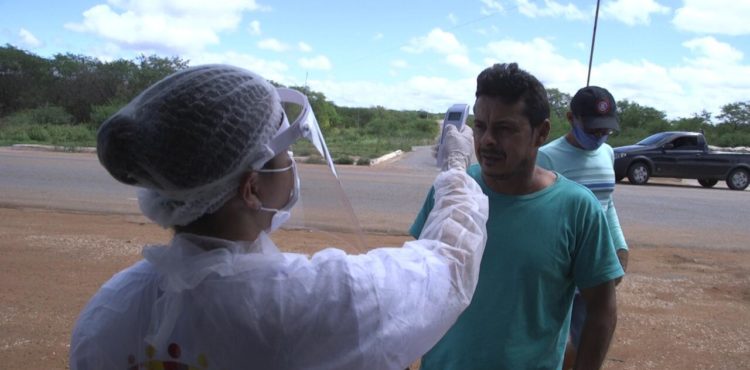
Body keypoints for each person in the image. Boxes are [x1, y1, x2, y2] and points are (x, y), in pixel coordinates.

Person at [69, 64, 489, 370]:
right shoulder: (301, 305)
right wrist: (455, 168)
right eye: (286, 155)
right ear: (252, 188)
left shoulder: (107, 311)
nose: (292, 166)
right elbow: (451, 265)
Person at [410, 63, 624, 370]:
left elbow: (602, 308)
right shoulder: (454, 190)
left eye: (505, 129)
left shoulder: (577, 208)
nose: (486, 141)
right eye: (481, 126)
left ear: (541, 133)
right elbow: (417, 279)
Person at [536, 86, 629, 368]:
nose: (599, 137)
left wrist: (619, 245)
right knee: (559, 348)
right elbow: (541, 220)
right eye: (593, 129)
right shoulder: (547, 158)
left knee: (588, 340)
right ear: (570, 118)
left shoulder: (607, 154)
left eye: (605, 131)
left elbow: (606, 204)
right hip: (561, 274)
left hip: (594, 270)